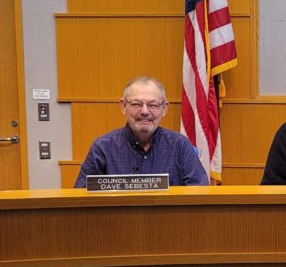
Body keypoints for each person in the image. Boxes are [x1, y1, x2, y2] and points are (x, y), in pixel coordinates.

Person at [74, 76, 208, 187]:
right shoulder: (103, 148)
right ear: (123, 106)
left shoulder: (180, 146)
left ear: (164, 109)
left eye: (153, 105)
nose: (144, 111)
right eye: (136, 104)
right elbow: (80, 199)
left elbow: (199, 196)